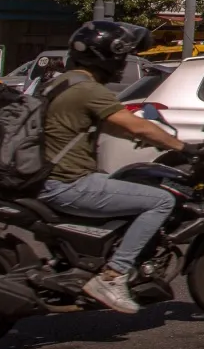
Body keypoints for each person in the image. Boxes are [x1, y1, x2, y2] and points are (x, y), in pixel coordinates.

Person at [39, 20, 187, 315]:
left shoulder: (61, 82)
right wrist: (183, 147)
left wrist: (143, 136)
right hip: (67, 183)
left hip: (46, 179)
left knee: (120, 181)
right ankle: (114, 276)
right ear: (108, 57)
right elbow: (133, 123)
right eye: (121, 58)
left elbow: (109, 124)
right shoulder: (89, 90)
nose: (122, 66)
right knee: (161, 200)